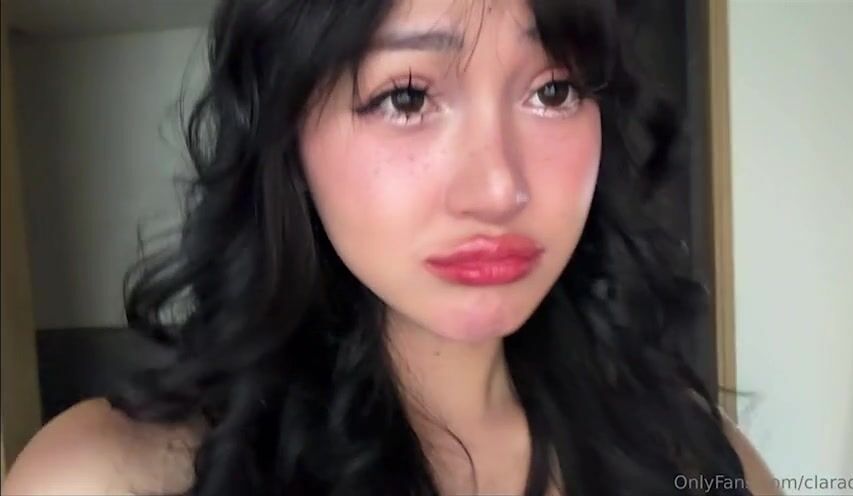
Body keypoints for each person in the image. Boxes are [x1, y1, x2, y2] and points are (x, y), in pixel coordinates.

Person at [2, 1, 781, 495]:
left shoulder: (698, 459)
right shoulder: (107, 478)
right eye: (407, 97)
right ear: (287, 135)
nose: (499, 188)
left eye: (554, 90)